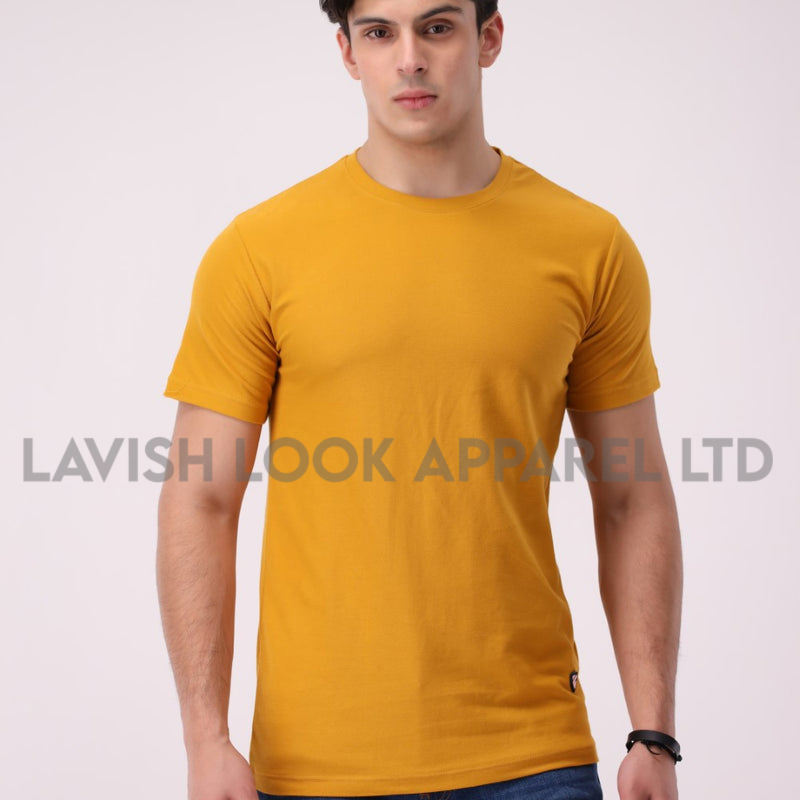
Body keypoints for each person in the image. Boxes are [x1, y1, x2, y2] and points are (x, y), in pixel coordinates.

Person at [156, 2, 684, 799]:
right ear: (347, 51)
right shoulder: (259, 251)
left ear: (488, 38)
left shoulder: (588, 246)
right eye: (380, 32)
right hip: (316, 764)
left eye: (437, 27)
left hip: (532, 758)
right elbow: (199, 498)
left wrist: (655, 733)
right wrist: (205, 738)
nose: (409, 57)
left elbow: (633, 497)